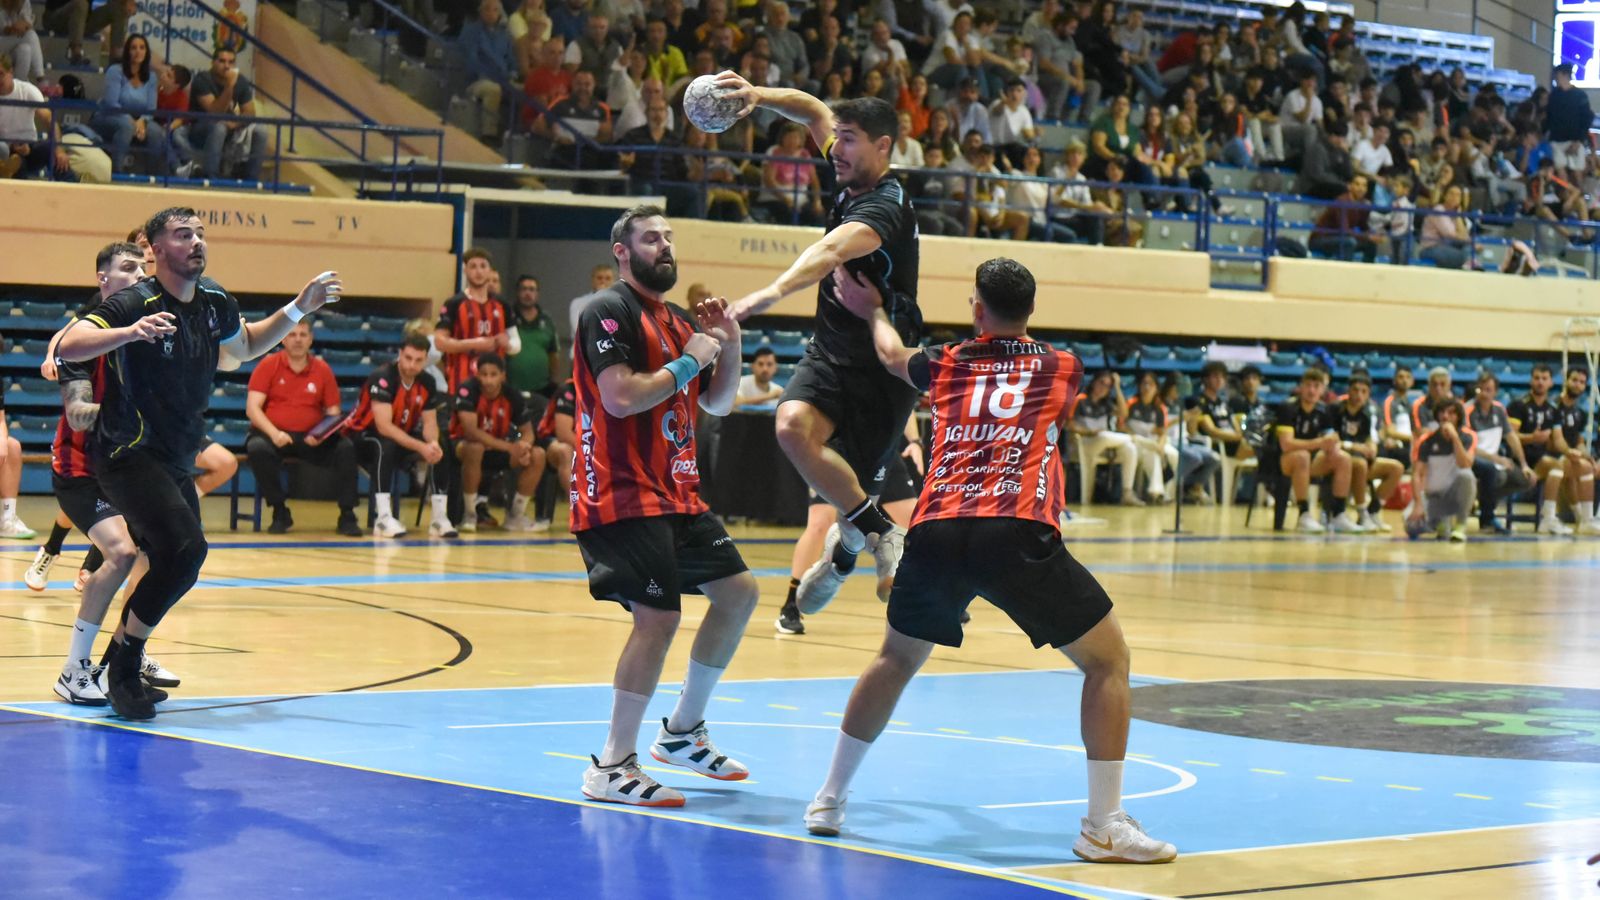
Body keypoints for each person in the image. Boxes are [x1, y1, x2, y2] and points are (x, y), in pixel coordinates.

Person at [808, 256, 1177, 864]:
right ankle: (1104, 825)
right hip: (1014, 528)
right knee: (1108, 661)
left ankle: (828, 799)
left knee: (895, 659)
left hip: (936, 530)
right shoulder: (1064, 366)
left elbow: (892, 355)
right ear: (1031, 309)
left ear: (977, 308)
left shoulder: (945, 361)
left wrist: (872, 310)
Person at [55, 207, 341, 720]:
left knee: (180, 563)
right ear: (155, 249)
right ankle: (123, 668)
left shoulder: (213, 300)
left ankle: (121, 659)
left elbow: (244, 347)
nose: (196, 242)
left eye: (200, 234)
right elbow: (70, 345)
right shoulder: (135, 301)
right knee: (184, 548)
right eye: (183, 234)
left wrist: (298, 308)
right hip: (126, 451)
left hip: (176, 456)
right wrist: (130, 332)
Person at [572, 205, 758, 808]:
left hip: (675, 491)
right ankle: (611, 765)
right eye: (652, 238)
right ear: (622, 251)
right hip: (621, 490)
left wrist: (729, 343)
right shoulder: (608, 310)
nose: (665, 246)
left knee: (738, 594)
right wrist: (691, 360)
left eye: (669, 236)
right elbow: (620, 397)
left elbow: (718, 403)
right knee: (657, 619)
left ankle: (681, 733)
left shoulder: (676, 319)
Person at [717, 78, 922, 612]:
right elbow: (811, 109)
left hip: (882, 370)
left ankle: (843, 553)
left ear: (883, 146)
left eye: (850, 140)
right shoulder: (848, 165)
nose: (837, 149)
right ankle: (879, 534)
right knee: (790, 425)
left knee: (850, 511)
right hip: (830, 352)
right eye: (839, 138)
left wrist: (770, 293)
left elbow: (830, 250)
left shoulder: (887, 205)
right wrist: (757, 95)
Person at [27, 242, 152, 705]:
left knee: (161, 555)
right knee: (120, 553)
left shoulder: (149, 332)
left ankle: (127, 654)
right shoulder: (85, 335)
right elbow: (79, 415)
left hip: (130, 466)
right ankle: (74, 670)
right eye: (128, 267)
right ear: (104, 279)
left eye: (143, 268)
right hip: (81, 469)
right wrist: (136, 418)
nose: (139, 275)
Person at [243, 320, 362, 536]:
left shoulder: (322, 369)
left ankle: (347, 515)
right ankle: (279, 511)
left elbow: (334, 413)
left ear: (311, 339)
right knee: (257, 448)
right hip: (275, 436)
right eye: (292, 335)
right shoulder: (268, 365)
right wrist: (274, 434)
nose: (297, 340)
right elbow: (252, 409)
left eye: (303, 335)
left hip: (312, 438)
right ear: (283, 339)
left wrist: (321, 435)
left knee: (345, 448)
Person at [344, 335, 455, 539]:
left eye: (418, 360)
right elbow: (384, 427)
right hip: (363, 435)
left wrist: (432, 444)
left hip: (400, 434)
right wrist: (420, 447)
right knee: (384, 444)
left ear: (425, 360)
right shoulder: (383, 377)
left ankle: (439, 518)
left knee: (442, 445)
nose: (412, 365)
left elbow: (430, 423)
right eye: (408, 358)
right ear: (400, 354)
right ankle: (383, 518)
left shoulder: (427, 382)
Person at [453, 353, 541, 532]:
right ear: (477, 375)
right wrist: (510, 447)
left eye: (493, 375)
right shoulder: (467, 390)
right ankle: (470, 514)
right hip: (463, 446)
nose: (488, 380)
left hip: (497, 449)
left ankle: (515, 516)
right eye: (484, 374)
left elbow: (528, 432)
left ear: (502, 376)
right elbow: (471, 431)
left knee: (538, 455)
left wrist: (524, 447)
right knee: (475, 448)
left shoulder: (512, 395)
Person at [1271, 366, 1359, 533]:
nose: (1312, 390)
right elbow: (1286, 444)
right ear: (1301, 387)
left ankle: (1338, 515)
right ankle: (1304, 514)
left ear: (1323, 389)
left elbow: (1330, 437)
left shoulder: (1324, 410)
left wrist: (1333, 445)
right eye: (1308, 385)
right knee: (1302, 456)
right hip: (1281, 461)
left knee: (1343, 458)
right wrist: (1319, 443)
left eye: (1316, 386)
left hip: (1311, 461)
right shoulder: (1287, 407)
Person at [1330, 372, 1402, 532]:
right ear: (1348, 390)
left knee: (1396, 468)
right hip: (1338, 460)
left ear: (1369, 394)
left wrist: (1371, 447)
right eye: (1355, 390)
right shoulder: (1335, 409)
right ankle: (1362, 513)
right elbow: (1329, 440)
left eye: (1364, 391)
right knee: (1360, 464)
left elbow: (1369, 438)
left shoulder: (1367, 413)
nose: (1359, 395)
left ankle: (1373, 511)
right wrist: (1354, 446)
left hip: (1360, 461)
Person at [436, 247, 513, 393]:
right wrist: (474, 344)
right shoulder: (454, 303)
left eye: (483, 266)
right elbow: (439, 342)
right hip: (461, 380)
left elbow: (516, 345)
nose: (478, 271)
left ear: (490, 270)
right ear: (465, 270)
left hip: (495, 387)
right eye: (473, 266)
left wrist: (508, 344)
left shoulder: (503, 305)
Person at [184, 48, 268, 181]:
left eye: (231, 62)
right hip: (200, 129)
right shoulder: (202, 79)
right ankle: (210, 177)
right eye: (222, 61)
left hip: (229, 125)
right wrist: (229, 87)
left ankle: (251, 180)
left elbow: (250, 112)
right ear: (213, 62)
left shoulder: (240, 80)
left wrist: (235, 123)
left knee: (261, 130)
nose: (227, 66)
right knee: (219, 127)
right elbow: (214, 112)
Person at [1465, 372, 1533, 536]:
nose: (1484, 393)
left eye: (1488, 390)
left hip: (1495, 460)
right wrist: (1495, 459)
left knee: (1526, 480)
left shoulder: (1499, 409)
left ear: (1495, 392)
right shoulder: (1467, 410)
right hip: (1474, 459)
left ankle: (1483, 499)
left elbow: (1511, 437)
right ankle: (1487, 518)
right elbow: (1467, 445)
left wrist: (1524, 464)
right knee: (1497, 475)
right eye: (1481, 389)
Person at [90, 35, 167, 175]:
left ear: (147, 52)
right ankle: (116, 172)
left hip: (138, 119)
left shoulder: (151, 77)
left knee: (156, 131)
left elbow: (151, 108)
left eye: (142, 48)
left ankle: (152, 175)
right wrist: (133, 122)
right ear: (127, 51)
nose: (138, 51)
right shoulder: (115, 71)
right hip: (108, 115)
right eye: (133, 48)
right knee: (126, 126)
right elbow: (111, 103)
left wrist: (142, 121)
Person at [1405, 396, 1477, 542]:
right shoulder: (1426, 440)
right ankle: (1439, 522)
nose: (1445, 416)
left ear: (1458, 416)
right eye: (1442, 412)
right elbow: (1417, 474)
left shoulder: (1468, 436)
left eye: (1451, 413)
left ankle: (1460, 525)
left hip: (1453, 496)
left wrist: (1455, 438)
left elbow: (1465, 464)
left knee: (1467, 476)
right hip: (1433, 497)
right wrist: (1418, 504)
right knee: (1411, 526)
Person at [1070, 370, 1141, 506]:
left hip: (1104, 444)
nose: (1103, 388)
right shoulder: (1080, 400)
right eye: (1101, 383)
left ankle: (1127, 492)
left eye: (1108, 386)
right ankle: (1133, 438)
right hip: (1085, 442)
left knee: (1130, 448)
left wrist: (1117, 387)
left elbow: (1124, 414)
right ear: (1094, 382)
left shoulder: (1106, 404)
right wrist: (1089, 432)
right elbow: (1069, 425)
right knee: (1104, 435)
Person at [505, 274, 560, 400]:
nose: (528, 293)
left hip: (542, 390)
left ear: (537, 293)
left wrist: (553, 380)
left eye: (532, 289)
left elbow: (554, 354)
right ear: (517, 292)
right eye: (524, 289)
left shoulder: (547, 321)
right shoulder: (507, 318)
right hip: (511, 389)